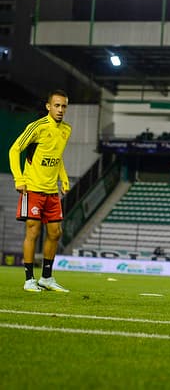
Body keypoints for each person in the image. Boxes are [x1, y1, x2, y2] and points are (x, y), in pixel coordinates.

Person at [9, 89, 72, 293]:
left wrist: (63, 178)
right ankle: (29, 279)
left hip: (51, 191)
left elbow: (57, 156)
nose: (60, 110)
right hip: (32, 189)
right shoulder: (37, 127)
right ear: (48, 106)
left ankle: (46, 278)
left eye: (63, 106)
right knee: (33, 231)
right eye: (57, 105)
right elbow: (14, 149)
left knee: (55, 233)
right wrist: (19, 178)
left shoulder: (66, 130)